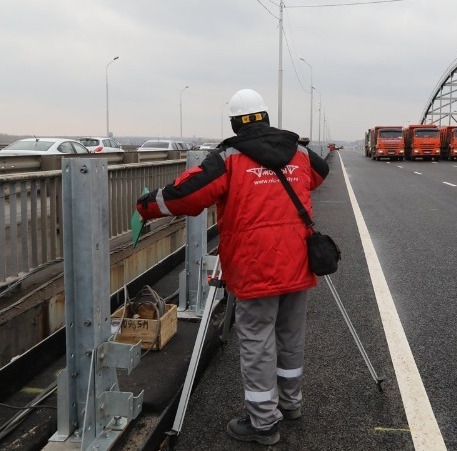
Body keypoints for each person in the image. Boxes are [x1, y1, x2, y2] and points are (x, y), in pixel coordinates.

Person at [135, 88, 329, 445]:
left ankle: (263, 423)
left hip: (255, 267)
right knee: (290, 336)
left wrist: (147, 206)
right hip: (298, 261)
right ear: (267, 117)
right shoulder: (299, 152)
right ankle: (291, 404)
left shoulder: (228, 158)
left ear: (235, 123)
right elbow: (320, 172)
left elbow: (188, 195)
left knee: (257, 339)